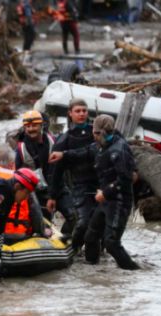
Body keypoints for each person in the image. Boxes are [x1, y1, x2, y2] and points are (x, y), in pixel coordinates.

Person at [83, 115, 140, 270]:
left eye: (95, 133)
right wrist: (64, 154)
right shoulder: (102, 145)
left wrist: (105, 192)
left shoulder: (119, 150)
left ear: (102, 132)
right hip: (105, 200)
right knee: (90, 237)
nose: (92, 136)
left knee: (111, 243)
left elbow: (126, 179)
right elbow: (85, 152)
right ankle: (92, 270)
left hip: (119, 202)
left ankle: (134, 271)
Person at [15, 110, 76, 234]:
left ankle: (67, 240)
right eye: (28, 126)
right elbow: (18, 176)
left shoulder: (55, 142)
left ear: (41, 125)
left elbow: (65, 167)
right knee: (43, 227)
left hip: (59, 189)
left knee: (74, 217)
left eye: (34, 125)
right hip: (38, 194)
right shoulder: (21, 149)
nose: (31, 129)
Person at [48, 98, 97, 252]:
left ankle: (96, 256)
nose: (82, 114)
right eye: (78, 111)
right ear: (70, 114)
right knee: (83, 222)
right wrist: (52, 196)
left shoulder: (95, 133)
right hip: (79, 185)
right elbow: (56, 171)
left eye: (84, 110)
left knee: (100, 223)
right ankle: (72, 249)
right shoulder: (64, 139)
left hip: (100, 183)